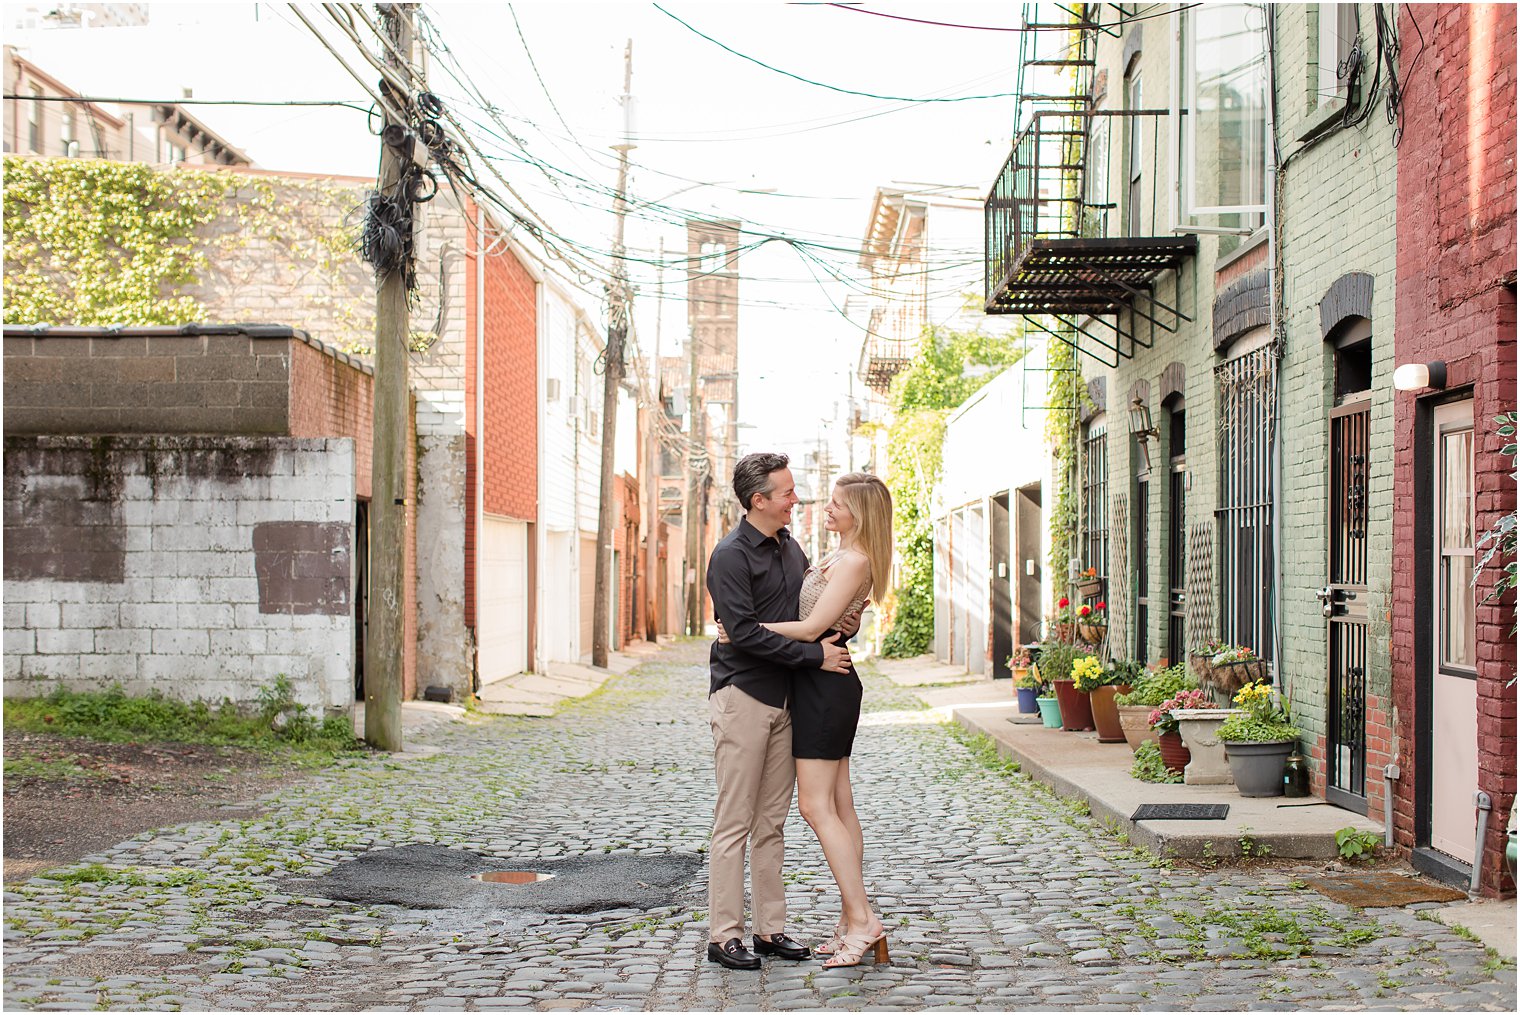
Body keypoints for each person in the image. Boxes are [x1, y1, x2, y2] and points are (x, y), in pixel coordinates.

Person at [717, 472, 894, 969]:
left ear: (859, 514)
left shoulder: (854, 559)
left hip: (824, 686)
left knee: (815, 807)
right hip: (820, 682)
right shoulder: (834, 554)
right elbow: (830, 615)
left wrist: (743, 629)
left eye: (838, 504)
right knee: (840, 803)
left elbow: (815, 628)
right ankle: (849, 920)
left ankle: (861, 921)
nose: (826, 507)